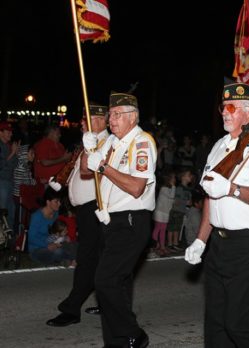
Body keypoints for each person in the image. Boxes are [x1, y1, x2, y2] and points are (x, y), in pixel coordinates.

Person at [185, 79, 249, 347]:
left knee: (239, 325)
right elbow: (210, 197)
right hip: (219, 244)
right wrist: (201, 239)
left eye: (232, 107)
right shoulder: (218, 147)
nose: (225, 113)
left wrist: (232, 188)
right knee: (216, 327)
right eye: (223, 107)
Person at [80, 92, 157, 347]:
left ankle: (134, 333)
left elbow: (136, 187)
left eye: (117, 114)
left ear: (132, 117)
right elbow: (84, 170)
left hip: (131, 220)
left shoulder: (142, 143)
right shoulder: (112, 141)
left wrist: (103, 167)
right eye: (110, 115)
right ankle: (117, 342)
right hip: (109, 221)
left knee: (104, 281)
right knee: (118, 285)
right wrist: (88, 146)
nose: (111, 119)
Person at [46, 104, 109, 327]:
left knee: (87, 259)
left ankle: (71, 310)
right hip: (85, 210)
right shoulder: (90, 141)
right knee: (99, 258)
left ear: (101, 120)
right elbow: (75, 169)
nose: (82, 123)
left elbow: (89, 171)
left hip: (95, 208)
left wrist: (90, 148)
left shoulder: (106, 142)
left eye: (86, 119)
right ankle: (108, 303)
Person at [27, 187, 74, 265]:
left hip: (54, 244)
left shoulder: (56, 214)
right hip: (37, 249)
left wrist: (64, 238)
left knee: (73, 245)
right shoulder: (37, 216)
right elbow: (31, 238)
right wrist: (47, 245)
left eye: (59, 201)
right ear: (48, 202)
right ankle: (69, 260)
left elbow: (58, 231)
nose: (59, 204)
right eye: (56, 201)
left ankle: (68, 260)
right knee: (58, 252)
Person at [148, 169, 176, 258]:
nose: (175, 179)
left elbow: (171, 199)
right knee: (157, 229)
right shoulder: (164, 188)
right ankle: (152, 247)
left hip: (165, 212)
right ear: (169, 179)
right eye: (173, 178)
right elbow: (171, 197)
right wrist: (174, 186)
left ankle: (162, 247)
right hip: (160, 212)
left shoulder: (169, 188)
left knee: (163, 230)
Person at [167, 168, 193, 251]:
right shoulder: (179, 188)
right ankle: (170, 244)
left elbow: (189, 201)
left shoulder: (188, 189)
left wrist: (189, 202)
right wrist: (185, 202)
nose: (191, 177)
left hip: (181, 211)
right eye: (188, 175)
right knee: (172, 228)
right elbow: (176, 201)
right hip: (176, 211)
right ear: (183, 177)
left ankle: (175, 244)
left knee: (177, 228)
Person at [0, 121, 19, 229]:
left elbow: (14, 164)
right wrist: (13, 152)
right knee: (3, 211)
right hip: (2, 182)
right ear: (0, 133)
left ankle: (9, 235)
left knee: (11, 210)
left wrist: (15, 153)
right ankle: (3, 238)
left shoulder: (8, 145)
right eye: (8, 132)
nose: (11, 134)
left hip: (9, 181)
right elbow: (1, 165)